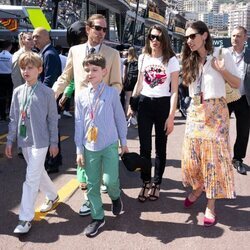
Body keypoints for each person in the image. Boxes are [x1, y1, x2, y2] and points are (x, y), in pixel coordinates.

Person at [53, 14, 122, 216]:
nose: (101, 32)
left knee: (101, 151)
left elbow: (117, 83)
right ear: (87, 29)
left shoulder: (112, 54)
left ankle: (107, 187)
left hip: (103, 113)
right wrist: (53, 93)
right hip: (82, 112)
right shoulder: (74, 51)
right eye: (97, 28)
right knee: (83, 154)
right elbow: (66, 76)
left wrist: (108, 99)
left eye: (104, 29)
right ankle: (88, 199)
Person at [181, 21, 240, 227]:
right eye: (187, 37)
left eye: (192, 36)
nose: (189, 41)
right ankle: (198, 188)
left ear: (204, 35)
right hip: (196, 111)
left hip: (217, 112)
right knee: (193, 156)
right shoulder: (189, 59)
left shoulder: (222, 54)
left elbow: (237, 83)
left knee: (213, 159)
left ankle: (210, 205)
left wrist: (222, 71)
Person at [5, 52, 59, 234]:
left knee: (31, 179)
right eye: (23, 67)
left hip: (41, 141)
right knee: (38, 172)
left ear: (39, 70)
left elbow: (53, 119)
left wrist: (54, 142)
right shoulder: (18, 92)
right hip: (24, 141)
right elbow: (13, 118)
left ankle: (25, 218)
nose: (25, 71)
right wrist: (10, 141)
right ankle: (53, 195)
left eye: (30, 67)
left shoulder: (47, 92)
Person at [75, 54, 128, 237]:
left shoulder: (112, 93)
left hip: (109, 144)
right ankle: (98, 218)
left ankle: (115, 197)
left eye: (95, 70)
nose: (91, 73)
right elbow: (79, 123)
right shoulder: (81, 96)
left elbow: (120, 119)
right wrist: (79, 150)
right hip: (89, 147)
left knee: (110, 180)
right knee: (92, 184)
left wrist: (124, 142)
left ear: (104, 71)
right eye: (88, 70)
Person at [128, 24, 180, 202]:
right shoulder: (143, 57)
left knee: (160, 147)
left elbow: (174, 90)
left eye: (158, 37)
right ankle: (145, 182)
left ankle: (157, 183)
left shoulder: (171, 60)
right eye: (151, 36)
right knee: (144, 147)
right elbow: (139, 83)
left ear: (164, 39)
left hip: (163, 105)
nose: (154, 40)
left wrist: (171, 116)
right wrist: (132, 103)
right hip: (144, 103)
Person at [32, 27, 62, 173]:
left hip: (47, 99)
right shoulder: (45, 53)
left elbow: (49, 80)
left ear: (46, 37)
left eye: (37, 37)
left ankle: (52, 162)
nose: (34, 40)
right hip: (47, 98)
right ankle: (53, 160)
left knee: (50, 130)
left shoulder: (49, 54)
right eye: (33, 37)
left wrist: (38, 96)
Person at [227, 26, 250, 175]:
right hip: (225, 98)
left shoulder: (249, 55)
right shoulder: (223, 54)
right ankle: (220, 157)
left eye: (239, 36)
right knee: (220, 129)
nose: (235, 38)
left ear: (245, 38)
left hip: (243, 98)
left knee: (243, 130)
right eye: (233, 35)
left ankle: (238, 159)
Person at [123, 47, 138, 116]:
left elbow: (124, 73)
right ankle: (134, 115)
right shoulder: (138, 61)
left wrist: (123, 82)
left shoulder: (126, 61)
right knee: (135, 98)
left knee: (127, 99)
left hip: (129, 82)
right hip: (136, 82)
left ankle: (126, 116)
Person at [0, 40, 13, 121]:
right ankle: (10, 113)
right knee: (11, 95)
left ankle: (2, 115)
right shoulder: (11, 56)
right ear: (9, 47)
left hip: (0, 76)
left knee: (1, 96)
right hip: (9, 76)